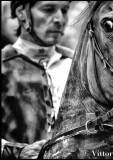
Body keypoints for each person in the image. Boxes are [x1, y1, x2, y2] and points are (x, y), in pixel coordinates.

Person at [1, 1, 73, 159]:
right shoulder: (3, 64)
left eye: (65, 10)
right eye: (48, 9)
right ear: (22, 13)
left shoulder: (78, 64)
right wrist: (16, 152)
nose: (60, 19)